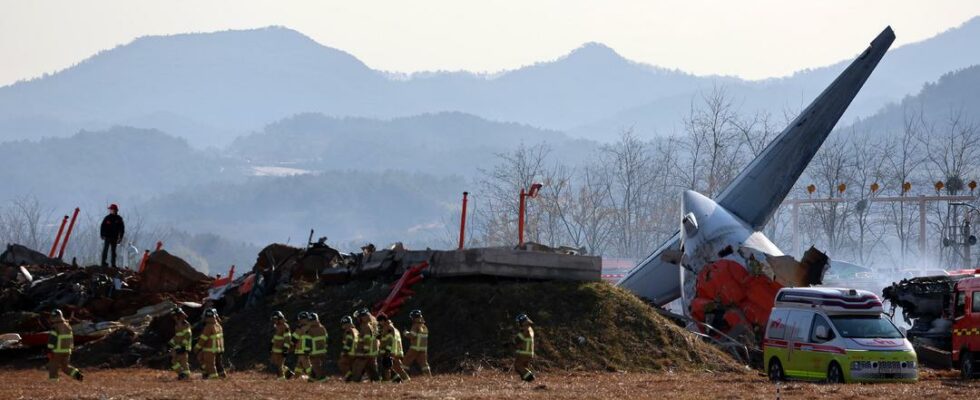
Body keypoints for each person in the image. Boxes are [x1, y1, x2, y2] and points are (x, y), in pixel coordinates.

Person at [46, 309, 83, 382]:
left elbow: (52, 341)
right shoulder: (67, 326)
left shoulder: (55, 327)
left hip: (57, 351)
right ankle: (78, 376)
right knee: (65, 367)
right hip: (67, 351)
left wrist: (49, 350)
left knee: (53, 367)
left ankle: (53, 383)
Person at [349, 308, 380, 382]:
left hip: (365, 352)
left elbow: (367, 340)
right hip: (371, 352)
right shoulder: (369, 325)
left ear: (363, 317)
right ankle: (376, 381)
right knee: (371, 369)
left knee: (357, 367)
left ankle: (355, 381)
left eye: (359, 317)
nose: (357, 319)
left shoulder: (365, 326)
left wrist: (364, 351)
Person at [378, 314, 409, 383]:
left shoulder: (388, 328)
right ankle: (402, 380)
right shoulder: (393, 328)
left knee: (389, 368)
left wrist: (387, 350)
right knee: (397, 368)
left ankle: (388, 382)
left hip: (390, 352)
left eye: (380, 322)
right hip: (395, 351)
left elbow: (389, 340)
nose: (379, 324)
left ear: (383, 320)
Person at [194, 308, 224, 379]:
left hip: (210, 349)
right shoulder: (218, 326)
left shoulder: (208, 327)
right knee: (218, 364)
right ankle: (221, 376)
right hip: (218, 349)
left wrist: (196, 348)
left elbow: (203, 339)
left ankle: (213, 378)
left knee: (209, 364)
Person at [402, 309, 431, 376]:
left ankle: (403, 377)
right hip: (423, 349)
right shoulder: (424, 326)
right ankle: (429, 377)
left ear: (414, 317)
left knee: (405, 362)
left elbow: (412, 335)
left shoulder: (415, 325)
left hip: (415, 348)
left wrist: (406, 333)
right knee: (424, 364)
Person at [168, 307, 192, 380]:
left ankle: (186, 376)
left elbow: (187, 336)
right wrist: (170, 343)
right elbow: (177, 336)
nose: (174, 318)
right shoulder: (177, 324)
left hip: (183, 347)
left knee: (183, 362)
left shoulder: (185, 324)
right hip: (178, 346)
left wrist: (183, 347)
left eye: (175, 316)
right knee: (174, 361)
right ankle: (182, 374)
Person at [270, 311, 294, 380]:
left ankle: (281, 379)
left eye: (275, 318)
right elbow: (276, 337)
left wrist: (285, 349)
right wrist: (271, 344)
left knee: (279, 365)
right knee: (275, 363)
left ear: (280, 318)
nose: (274, 320)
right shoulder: (277, 326)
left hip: (281, 349)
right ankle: (289, 374)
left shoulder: (285, 326)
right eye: (273, 319)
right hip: (276, 349)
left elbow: (288, 339)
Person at [100, 204, 125, 268]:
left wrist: (120, 238)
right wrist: (102, 234)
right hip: (107, 237)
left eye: (111, 209)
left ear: (115, 210)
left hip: (115, 237)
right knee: (105, 250)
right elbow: (102, 226)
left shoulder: (119, 219)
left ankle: (113, 264)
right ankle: (103, 263)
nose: (110, 210)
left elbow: (122, 229)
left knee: (113, 251)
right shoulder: (107, 218)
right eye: (110, 209)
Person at [306, 312, 329, 382]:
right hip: (323, 351)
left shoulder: (310, 330)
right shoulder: (323, 328)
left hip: (314, 352)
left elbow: (308, 342)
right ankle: (312, 379)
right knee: (321, 366)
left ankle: (322, 380)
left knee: (316, 366)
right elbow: (327, 339)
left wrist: (306, 351)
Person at [513, 313, 535, 382]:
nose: (518, 324)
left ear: (522, 321)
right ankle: (526, 380)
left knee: (518, 366)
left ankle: (530, 378)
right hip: (528, 352)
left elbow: (518, 339)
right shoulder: (530, 328)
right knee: (523, 367)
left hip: (524, 352)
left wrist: (510, 343)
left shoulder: (525, 329)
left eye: (518, 322)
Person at [291, 311, 311, 379]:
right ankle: (295, 377)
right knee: (299, 364)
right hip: (304, 348)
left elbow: (295, 337)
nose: (299, 321)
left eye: (300, 319)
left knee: (306, 364)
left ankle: (313, 378)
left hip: (303, 349)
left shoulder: (302, 327)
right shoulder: (310, 326)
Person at [338, 315, 359, 381]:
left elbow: (349, 342)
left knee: (341, 363)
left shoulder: (348, 331)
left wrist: (344, 352)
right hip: (356, 352)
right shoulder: (355, 330)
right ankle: (352, 378)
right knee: (351, 366)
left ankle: (348, 376)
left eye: (343, 324)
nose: (342, 326)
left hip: (350, 352)